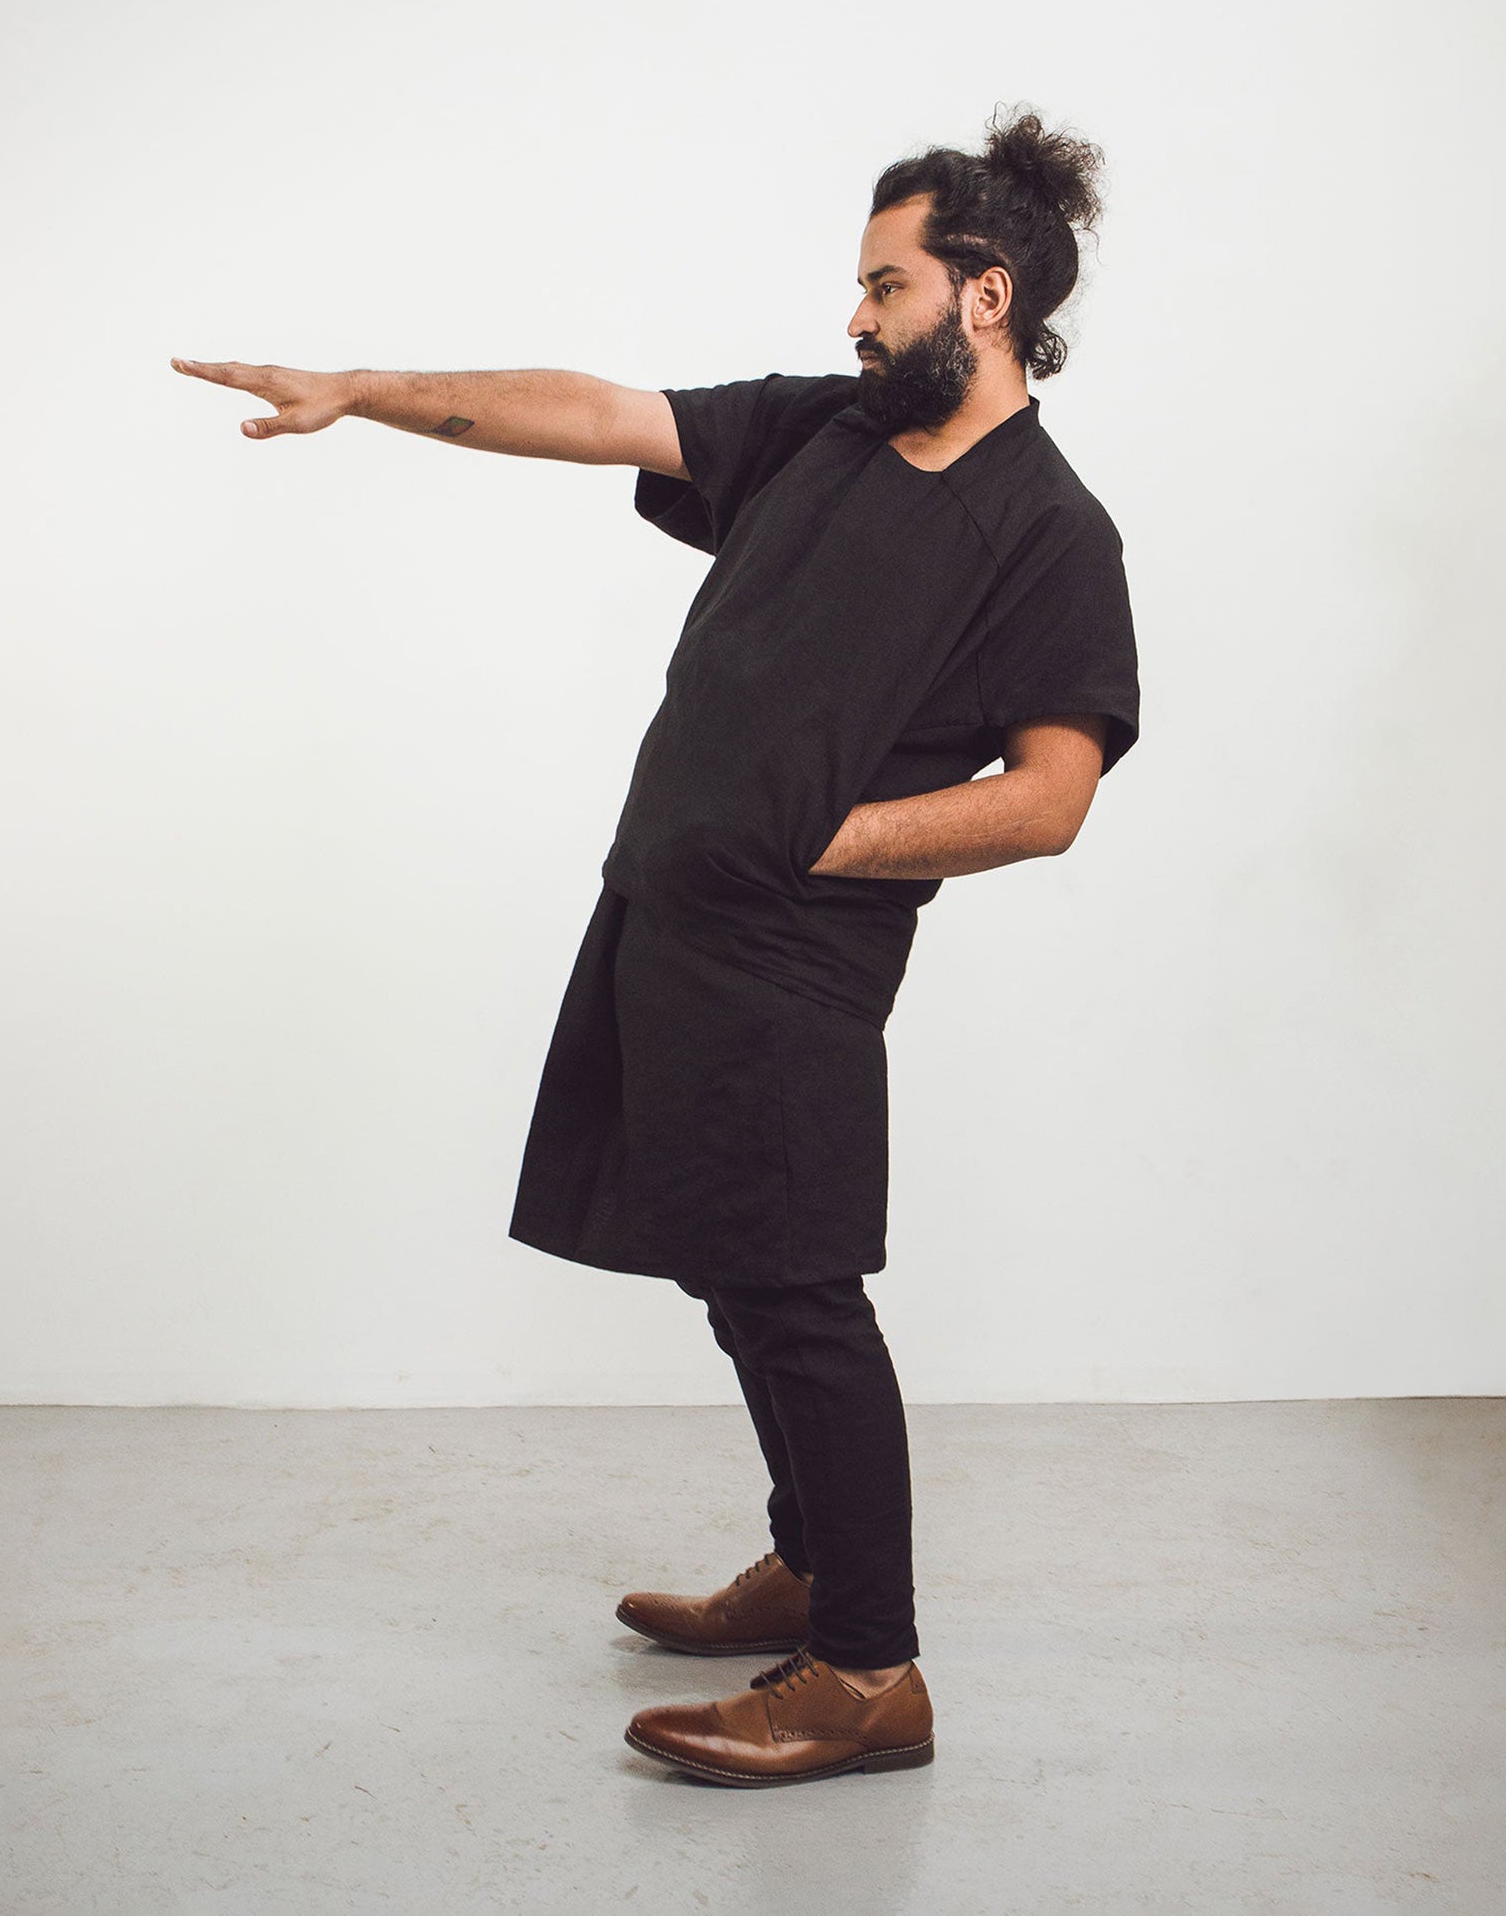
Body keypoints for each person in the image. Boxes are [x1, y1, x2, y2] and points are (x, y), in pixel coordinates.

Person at [171, 103, 1141, 1788]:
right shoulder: (822, 437)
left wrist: (818, 838)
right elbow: (600, 410)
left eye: (883, 284)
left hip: (795, 959)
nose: (854, 314)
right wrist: (363, 392)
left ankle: (866, 1669)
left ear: (984, 297)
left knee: (796, 1286)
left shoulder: (1051, 532)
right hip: (667, 920)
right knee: (730, 1263)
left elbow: (1049, 796)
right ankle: (816, 1559)